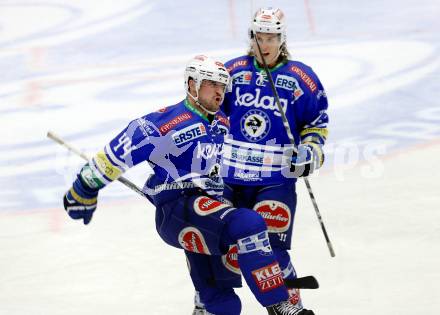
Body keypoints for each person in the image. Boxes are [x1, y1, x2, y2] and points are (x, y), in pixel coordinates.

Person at [62, 55, 309, 315]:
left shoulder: (222, 123)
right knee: (250, 224)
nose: (219, 92)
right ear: (192, 84)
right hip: (179, 211)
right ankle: (278, 303)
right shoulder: (161, 124)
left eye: (223, 86)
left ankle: (205, 307)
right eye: (212, 84)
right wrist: (83, 190)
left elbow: (236, 161)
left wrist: (289, 160)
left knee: (222, 303)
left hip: (207, 215)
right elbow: (112, 156)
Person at [193, 7, 328, 315]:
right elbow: (208, 113)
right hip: (228, 176)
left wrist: (310, 151)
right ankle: (207, 304)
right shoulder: (232, 73)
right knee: (216, 244)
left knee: (271, 248)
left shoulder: (301, 77)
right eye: (259, 37)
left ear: (282, 39)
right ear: (250, 38)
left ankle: (287, 305)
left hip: (275, 180)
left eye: (272, 38)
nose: (265, 44)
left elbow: (317, 123)